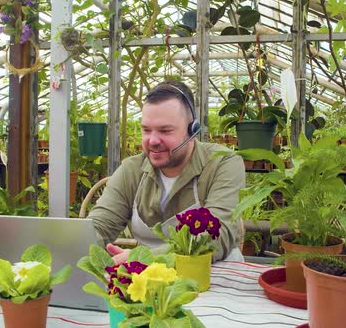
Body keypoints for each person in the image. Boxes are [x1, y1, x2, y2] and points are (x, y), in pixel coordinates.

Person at [88, 80, 245, 264]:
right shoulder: (131, 170)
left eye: (165, 131)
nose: (153, 140)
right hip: (153, 284)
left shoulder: (222, 163)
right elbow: (98, 226)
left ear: (192, 130)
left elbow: (217, 235)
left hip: (216, 277)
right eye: (146, 130)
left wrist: (145, 258)